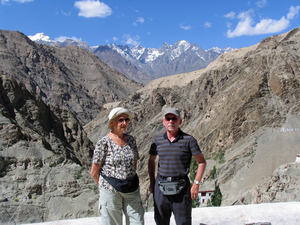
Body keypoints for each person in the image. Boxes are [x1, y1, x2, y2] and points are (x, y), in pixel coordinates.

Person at [148, 107, 206, 225]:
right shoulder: (157, 140)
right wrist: (152, 183)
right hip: (160, 187)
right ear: (163, 121)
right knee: (160, 221)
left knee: (183, 222)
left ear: (180, 121)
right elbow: (151, 161)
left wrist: (196, 184)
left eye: (174, 118)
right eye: (168, 118)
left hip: (181, 187)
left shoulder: (189, 140)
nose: (171, 121)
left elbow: (202, 162)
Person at [90, 107, 144, 225]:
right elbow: (94, 172)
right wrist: (105, 188)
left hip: (131, 188)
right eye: (121, 120)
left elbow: (134, 163)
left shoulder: (131, 140)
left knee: (138, 221)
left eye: (126, 120)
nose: (124, 123)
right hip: (111, 191)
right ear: (112, 122)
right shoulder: (103, 143)